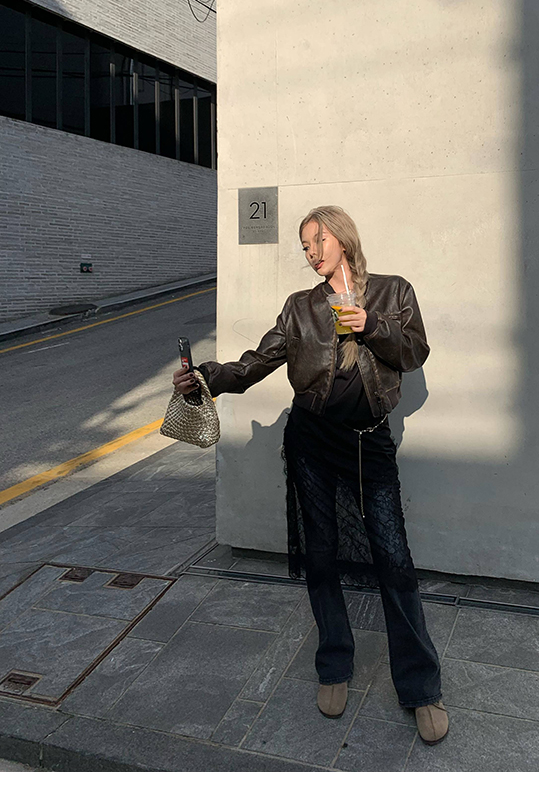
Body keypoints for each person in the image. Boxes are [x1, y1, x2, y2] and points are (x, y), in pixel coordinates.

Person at [173, 205, 448, 744]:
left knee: (394, 560)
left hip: (370, 442)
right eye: (304, 246)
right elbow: (256, 362)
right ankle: (334, 663)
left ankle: (420, 686)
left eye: (317, 240)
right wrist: (205, 376)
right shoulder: (301, 308)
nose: (311, 252)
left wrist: (372, 326)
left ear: (342, 238)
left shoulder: (393, 292)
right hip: (313, 443)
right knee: (321, 555)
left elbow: (415, 352)